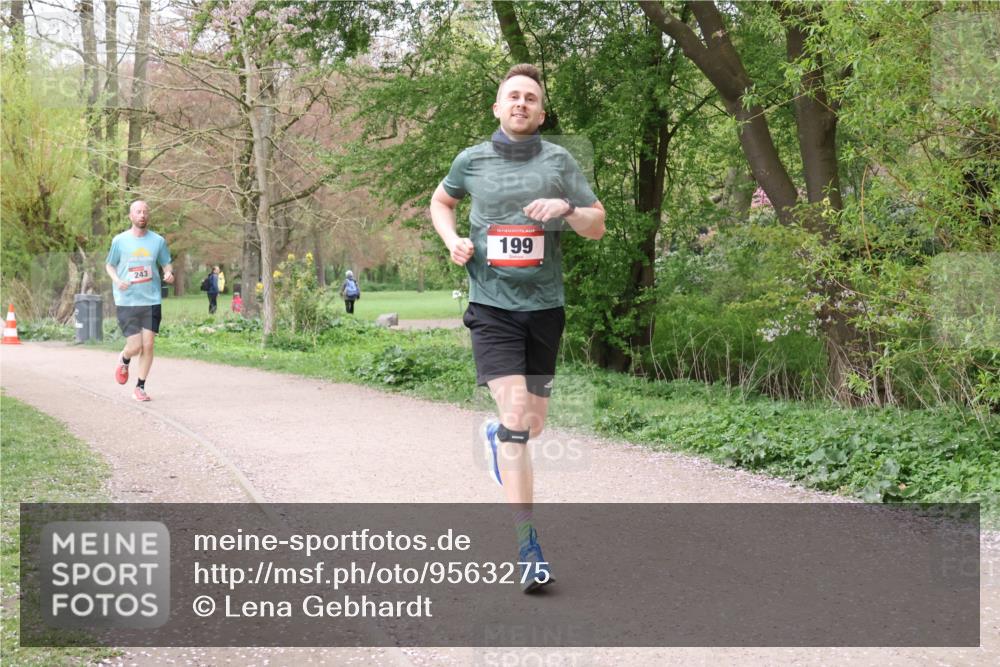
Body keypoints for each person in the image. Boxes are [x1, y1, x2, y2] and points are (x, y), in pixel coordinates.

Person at [429, 64, 606, 592]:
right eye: (513, 96)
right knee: (516, 417)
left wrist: (569, 207)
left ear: (542, 112)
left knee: (533, 427)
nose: (522, 103)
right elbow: (441, 202)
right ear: (498, 107)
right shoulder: (472, 159)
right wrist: (452, 240)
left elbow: (596, 226)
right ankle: (528, 545)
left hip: (544, 307)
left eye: (531, 98)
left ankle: (497, 436)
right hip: (492, 306)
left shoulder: (559, 160)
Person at [106, 200, 174, 401]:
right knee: (135, 347)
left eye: (145, 212)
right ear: (131, 216)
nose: (142, 215)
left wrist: (169, 274)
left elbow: (166, 264)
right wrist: (117, 280)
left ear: (148, 216)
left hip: (151, 299)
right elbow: (109, 265)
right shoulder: (119, 241)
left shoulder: (158, 241)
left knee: (149, 345)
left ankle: (140, 387)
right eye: (138, 211)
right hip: (127, 300)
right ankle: (125, 358)